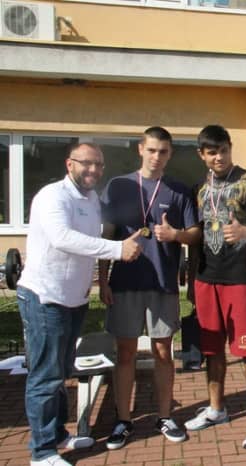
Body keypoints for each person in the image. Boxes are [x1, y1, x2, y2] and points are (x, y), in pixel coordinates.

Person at [17, 143, 142, 466]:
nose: (94, 170)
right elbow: (62, 238)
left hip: (74, 300)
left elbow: (89, 243)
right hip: (45, 297)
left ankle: (58, 434)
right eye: (87, 163)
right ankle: (42, 452)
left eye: (99, 165)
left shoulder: (91, 200)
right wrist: (117, 250)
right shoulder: (52, 196)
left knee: (60, 371)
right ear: (69, 164)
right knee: (45, 376)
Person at [99, 126, 200, 449]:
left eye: (163, 151)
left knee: (163, 352)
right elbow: (107, 236)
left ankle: (165, 416)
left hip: (162, 283)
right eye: (152, 150)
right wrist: (103, 280)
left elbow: (195, 234)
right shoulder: (119, 186)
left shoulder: (178, 190)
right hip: (125, 283)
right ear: (140, 149)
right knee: (125, 353)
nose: (157, 157)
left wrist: (176, 236)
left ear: (170, 154)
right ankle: (123, 420)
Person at [184, 124, 246, 450]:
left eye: (223, 150)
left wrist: (245, 232)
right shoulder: (198, 187)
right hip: (206, 278)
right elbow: (196, 236)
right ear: (202, 154)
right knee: (211, 348)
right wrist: (192, 281)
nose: (219, 157)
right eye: (212, 152)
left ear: (230, 148)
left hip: (239, 278)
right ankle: (216, 408)